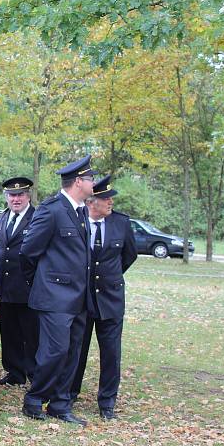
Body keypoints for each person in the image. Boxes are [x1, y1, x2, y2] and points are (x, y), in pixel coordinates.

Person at [20, 154, 96, 426]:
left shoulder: (81, 211)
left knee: (71, 352)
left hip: (78, 297)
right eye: (91, 179)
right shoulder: (52, 210)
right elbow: (28, 251)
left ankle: (60, 404)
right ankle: (34, 399)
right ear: (78, 182)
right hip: (55, 297)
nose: (94, 183)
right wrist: (44, 283)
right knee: (54, 352)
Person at [70, 175, 137, 420]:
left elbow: (128, 256)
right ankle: (70, 392)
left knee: (111, 353)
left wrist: (110, 277)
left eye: (111, 198)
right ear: (90, 201)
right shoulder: (76, 221)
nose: (110, 202)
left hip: (111, 299)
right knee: (77, 349)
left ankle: (107, 401)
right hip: (81, 298)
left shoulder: (121, 223)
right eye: (105, 198)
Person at [0, 177, 38, 386]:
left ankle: (33, 372)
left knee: (30, 334)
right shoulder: (1, 218)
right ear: (6, 197)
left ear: (28, 195)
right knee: (9, 332)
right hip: (5, 287)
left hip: (29, 288)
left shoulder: (37, 218)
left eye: (20, 194)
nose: (16, 199)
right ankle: (14, 372)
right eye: (12, 195)